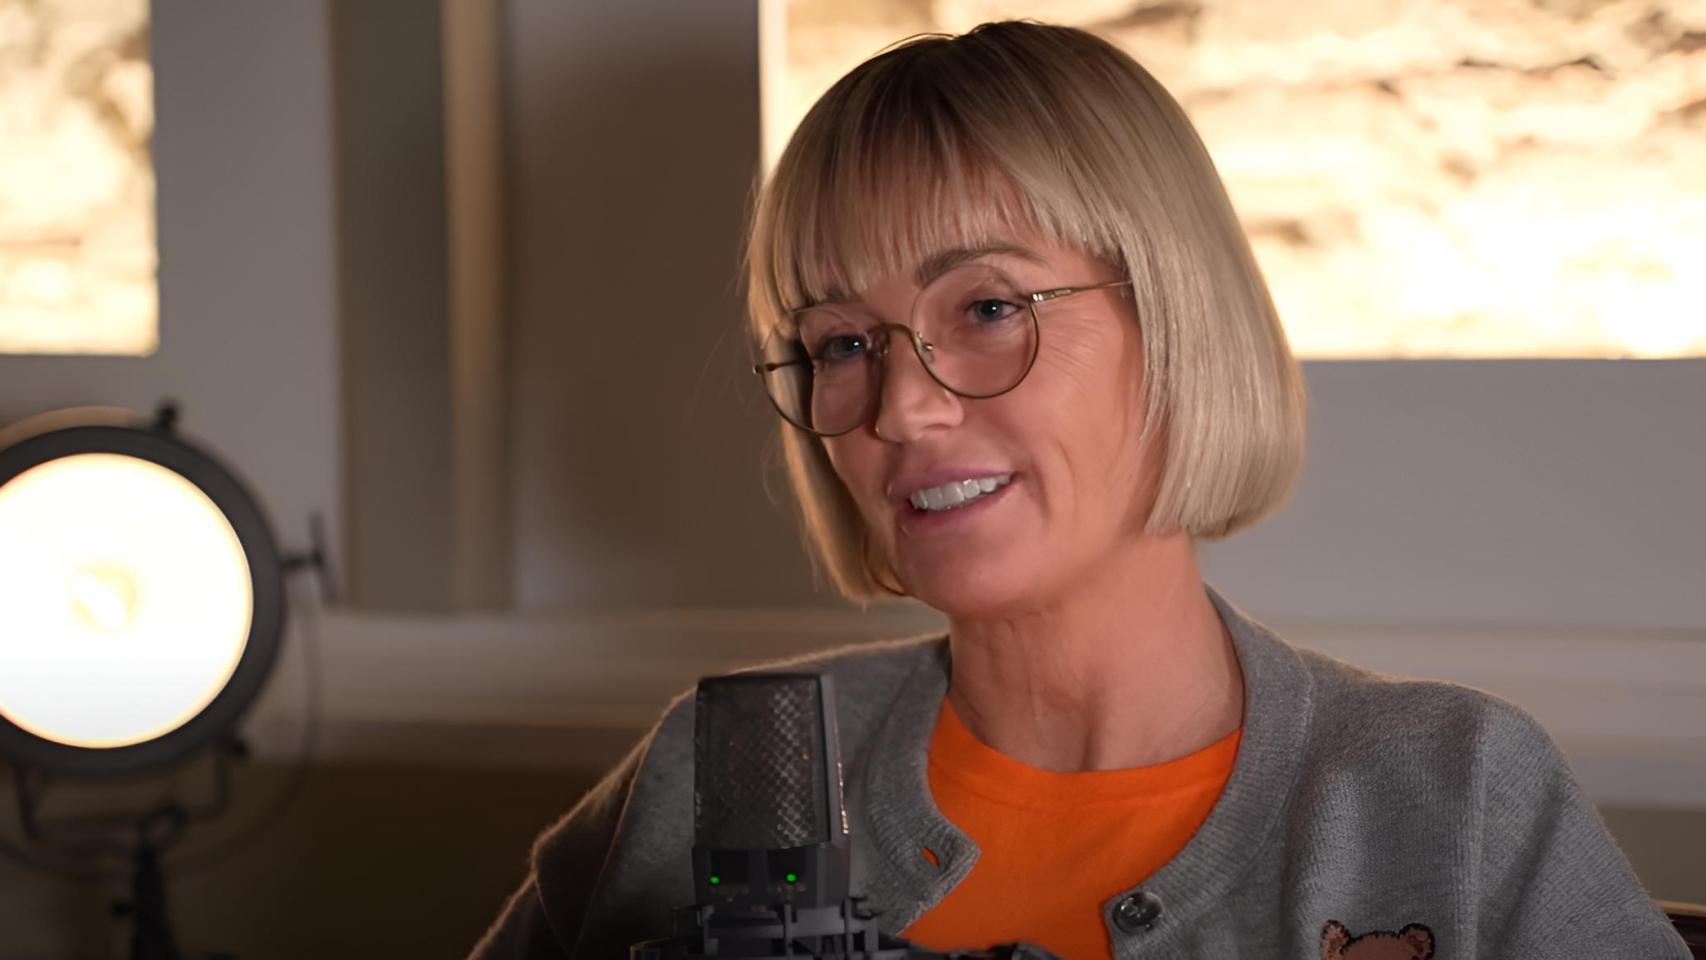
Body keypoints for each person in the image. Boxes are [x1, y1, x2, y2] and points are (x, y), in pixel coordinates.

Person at [470, 21, 1687, 959]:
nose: (901, 408)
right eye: (842, 342)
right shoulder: (708, 776)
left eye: (987, 307)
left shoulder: (1450, 800)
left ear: (1174, 320)